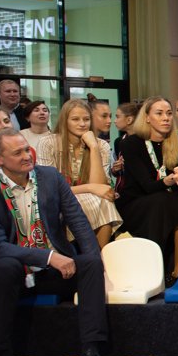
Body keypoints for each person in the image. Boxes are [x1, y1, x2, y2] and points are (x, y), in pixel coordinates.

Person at [0, 129, 110, 356]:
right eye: (18, 153)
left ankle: (92, 350)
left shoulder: (50, 178)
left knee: (90, 263)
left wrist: (96, 259)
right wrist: (47, 257)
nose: (27, 156)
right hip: (15, 276)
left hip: (55, 271)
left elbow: (78, 221)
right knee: (3, 266)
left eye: (27, 149)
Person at [116, 96, 178, 285]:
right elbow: (146, 185)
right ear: (147, 117)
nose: (166, 118)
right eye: (159, 113)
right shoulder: (130, 144)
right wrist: (168, 180)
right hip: (137, 200)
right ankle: (155, 269)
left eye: (169, 113)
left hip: (168, 197)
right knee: (159, 201)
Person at [37, 99, 122, 249]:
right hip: (57, 200)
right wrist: (89, 188)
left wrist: (93, 147)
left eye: (86, 119)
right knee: (100, 202)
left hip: (91, 200)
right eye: (75, 119)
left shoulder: (101, 145)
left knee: (105, 201)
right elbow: (49, 190)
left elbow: (100, 186)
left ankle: (99, 257)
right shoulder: (48, 143)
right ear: (65, 121)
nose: (82, 124)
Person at [111, 101, 139, 179]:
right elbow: (115, 173)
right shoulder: (118, 142)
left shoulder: (144, 141)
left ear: (129, 120)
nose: (115, 121)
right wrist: (115, 169)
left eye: (117, 117)